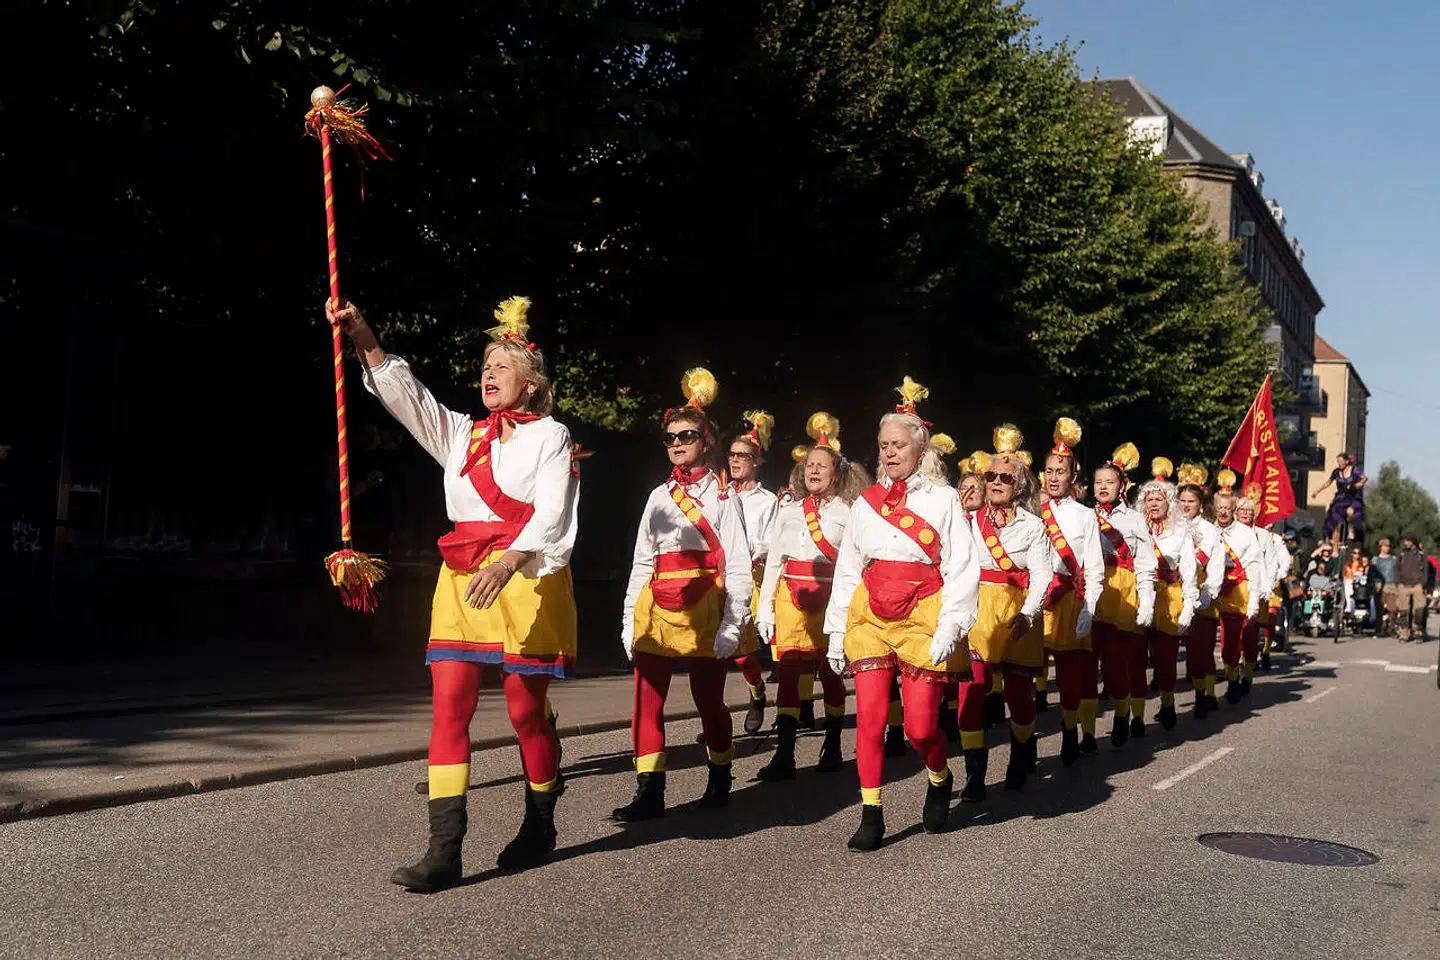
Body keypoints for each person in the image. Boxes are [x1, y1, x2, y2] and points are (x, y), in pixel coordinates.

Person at [336, 296, 579, 891]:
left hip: (529, 580)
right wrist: (363, 334)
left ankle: (541, 822)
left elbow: (553, 512)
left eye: (501, 365)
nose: (488, 373)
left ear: (530, 384)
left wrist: (514, 557)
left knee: (525, 713)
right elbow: (407, 398)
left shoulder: (553, 435)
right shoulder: (463, 434)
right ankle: (444, 850)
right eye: (485, 365)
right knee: (449, 707)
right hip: (463, 578)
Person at [824, 377, 978, 851]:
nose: (889, 453)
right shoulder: (865, 504)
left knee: (919, 728)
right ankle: (872, 813)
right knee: (869, 720)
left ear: (920, 446)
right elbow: (849, 567)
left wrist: (952, 625)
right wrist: (835, 632)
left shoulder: (943, 499)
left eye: (898, 444)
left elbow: (960, 565)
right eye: (883, 445)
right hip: (869, 614)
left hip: (924, 614)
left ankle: (939, 774)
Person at [616, 368, 754, 820]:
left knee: (707, 699)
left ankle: (720, 776)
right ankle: (649, 791)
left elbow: (735, 562)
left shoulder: (723, 496)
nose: (677, 443)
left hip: (704, 606)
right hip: (656, 605)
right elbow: (642, 560)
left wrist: (733, 624)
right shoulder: (657, 496)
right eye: (671, 437)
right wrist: (627, 619)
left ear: (706, 441)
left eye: (687, 435)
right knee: (646, 700)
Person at [754, 413, 871, 778]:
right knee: (788, 674)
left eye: (822, 466)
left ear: (836, 473)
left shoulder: (850, 512)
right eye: (809, 465)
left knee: (830, 673)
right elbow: (774, 562)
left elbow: (856, 565)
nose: (814, 471)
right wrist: (765, 611)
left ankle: (833, 745)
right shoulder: (788, 511)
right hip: (790, 598)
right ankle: (785, 754)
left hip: (830, 598)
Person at [959, 425, 1052, 800]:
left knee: (1019, 696)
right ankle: (974, 774)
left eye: (1005, 478)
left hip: (1017, 611)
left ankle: (1020, 751)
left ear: (1021, 486)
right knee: (972, 692)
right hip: (979, 611)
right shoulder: (968, 520)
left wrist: (1029, 613)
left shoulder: (1033, 527)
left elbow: (1043, 573)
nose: (996, 483)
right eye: (991, 476)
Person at [1037, 418, 1106, 764]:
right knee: (1026, 672)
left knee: (1068, 675)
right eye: (1048, 470)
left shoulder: (1084, 516)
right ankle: (1025, 741)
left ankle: (1069, 733)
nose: (1053, 477)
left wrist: (1088, 608)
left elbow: (1094, 567)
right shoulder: (1032, 511)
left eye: (1059, 471)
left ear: (1072, 476)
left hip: (1068, 600)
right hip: (1035, 599)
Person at [1091, 444, 1158, 743]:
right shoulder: (1082, 515)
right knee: (1088, 665)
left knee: (1118, 664)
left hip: (1122, 595)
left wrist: (1146, 601)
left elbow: (1145, 563)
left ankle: (1121, 715)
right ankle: (1085, 732)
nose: (1103, 487)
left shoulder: (1133, 519)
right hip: (1090, 593)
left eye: (1110, 482)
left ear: (1121, 486)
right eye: (1099, 482)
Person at [727, 410, 780, 735]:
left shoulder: (768, 500)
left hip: (752, 577)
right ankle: (715, 716)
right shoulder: (719, 493)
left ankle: (757, 692)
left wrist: (742, 551)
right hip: (719, 577)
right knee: (714, 654)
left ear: (756, 461)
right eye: (731, 455)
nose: (734, 461)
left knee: (742, 651)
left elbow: (769, 541)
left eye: (742, 456)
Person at [1141, 460, 1197, 730]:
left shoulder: (1181, 532)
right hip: (1138, 598)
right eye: (1149, 499)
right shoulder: (1136, 529)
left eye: (1159, 499)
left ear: (1169, 503)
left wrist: (1188, 608)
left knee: (1164, 659)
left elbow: (1189, 572)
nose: (1154, 504)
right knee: (1135, 658)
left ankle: (1167, 704)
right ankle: (1133, 715)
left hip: (1169, 600)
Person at [1177, 465, 1227, 718]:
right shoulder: (1170, 527)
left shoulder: (1210, 532)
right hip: (1172, 597)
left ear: (1200, 504)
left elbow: (1216, 566)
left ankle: (1203, 696)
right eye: (1182, 500)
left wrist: (1206, 595)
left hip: (1200, 594)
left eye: (1191, 501)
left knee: (1200, 653)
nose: (1186, 505)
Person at [1212, 470, 1266, 702]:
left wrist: (1255, 599)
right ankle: (1232, 680)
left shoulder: (1245, 534)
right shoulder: (1208, 531)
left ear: (1233, 509)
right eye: (1219, 507)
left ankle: (1248, 676)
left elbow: (1255, 566)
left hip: (1241, 593)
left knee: (1248, 640)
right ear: (1214, 507)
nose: (1223, 511)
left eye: (1228, 507)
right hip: (1216, 592)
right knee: (1227, 643)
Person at [1313, 453, 1368, 547]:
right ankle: (1335, 546)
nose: (1339, 463)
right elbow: (1328, 482)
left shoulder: (1354, 470)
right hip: (1341, 498)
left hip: (1352, 497)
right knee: (1336, 521)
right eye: (1338, 462)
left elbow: (1364, 478)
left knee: (1350, 512)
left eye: (1341, 461)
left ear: (1346, 461)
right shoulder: (1336, 472)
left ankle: (1350, 527)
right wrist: (1317, 491)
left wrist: (1358, 484)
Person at [1395, 535, 1428, 641]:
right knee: (1403, 611)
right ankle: (1404, 633)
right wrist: (1398, 582)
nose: (1406, 543)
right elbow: (1397, 568)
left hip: (1417, 585)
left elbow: (1426, 570)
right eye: (1405, 541)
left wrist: (1423, 583)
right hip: (1404, 585)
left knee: (1419, 611)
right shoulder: (1401, 554)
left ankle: (1417, 631)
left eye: (1408, 541)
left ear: (1413, 542)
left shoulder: (1421, 555)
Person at [1371, 538, 1398, 636]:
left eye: (1389, 546)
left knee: (1393, 609)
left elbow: (1397, 572)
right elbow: (1371, 574)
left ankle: (1391, 628)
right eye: (1385, 546)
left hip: (1391, 585)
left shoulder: (1394, 559)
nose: (1387, 548)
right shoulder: (1375, 560)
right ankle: (1378, 630)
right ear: (1381, 547)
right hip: (1379, 586)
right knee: (1379, 609)